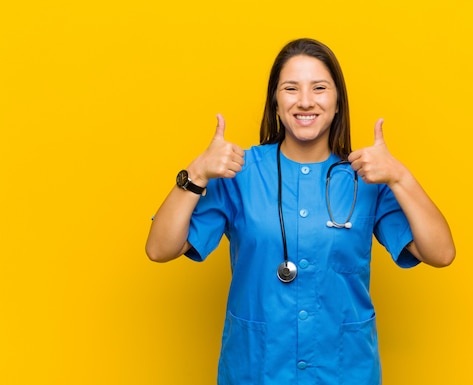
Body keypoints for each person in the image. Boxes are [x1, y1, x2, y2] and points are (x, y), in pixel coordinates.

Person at [145, 38, 455, 385]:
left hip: (344, 371)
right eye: (291, 88)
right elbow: (160, 249)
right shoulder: (239, 173)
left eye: (319, 88)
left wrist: (400, 176)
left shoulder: (367, 178)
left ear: (338, 102)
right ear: (275, 103)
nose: (305, 101)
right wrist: (197, 172)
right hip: (257, 370)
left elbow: (441, 253)